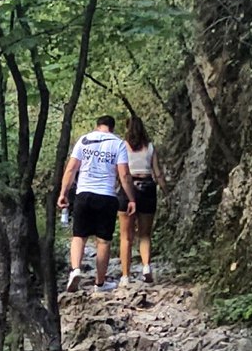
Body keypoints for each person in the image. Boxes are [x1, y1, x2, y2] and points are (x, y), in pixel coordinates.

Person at [58, 115, 136, 292]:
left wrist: (63, 193)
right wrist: (131, 198)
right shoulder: (118, 143)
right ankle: (99, 284)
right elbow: (124, 175)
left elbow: (71, 169)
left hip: (83, 194)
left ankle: (76, 269)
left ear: (97, 126)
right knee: (103, 241)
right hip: (106, 196)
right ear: (112, 128)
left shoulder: (84, 140)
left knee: (79, 235)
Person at [117, 116, 170, 285]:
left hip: (128, 189)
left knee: (126, 237)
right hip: (147, 188)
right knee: (145, 234)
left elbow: (119, 172)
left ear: (127, 128)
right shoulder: (150, 147)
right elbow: (158, 173)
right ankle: (146, 267)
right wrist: (166, 190)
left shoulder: (121, 146)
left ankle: (125, 276)